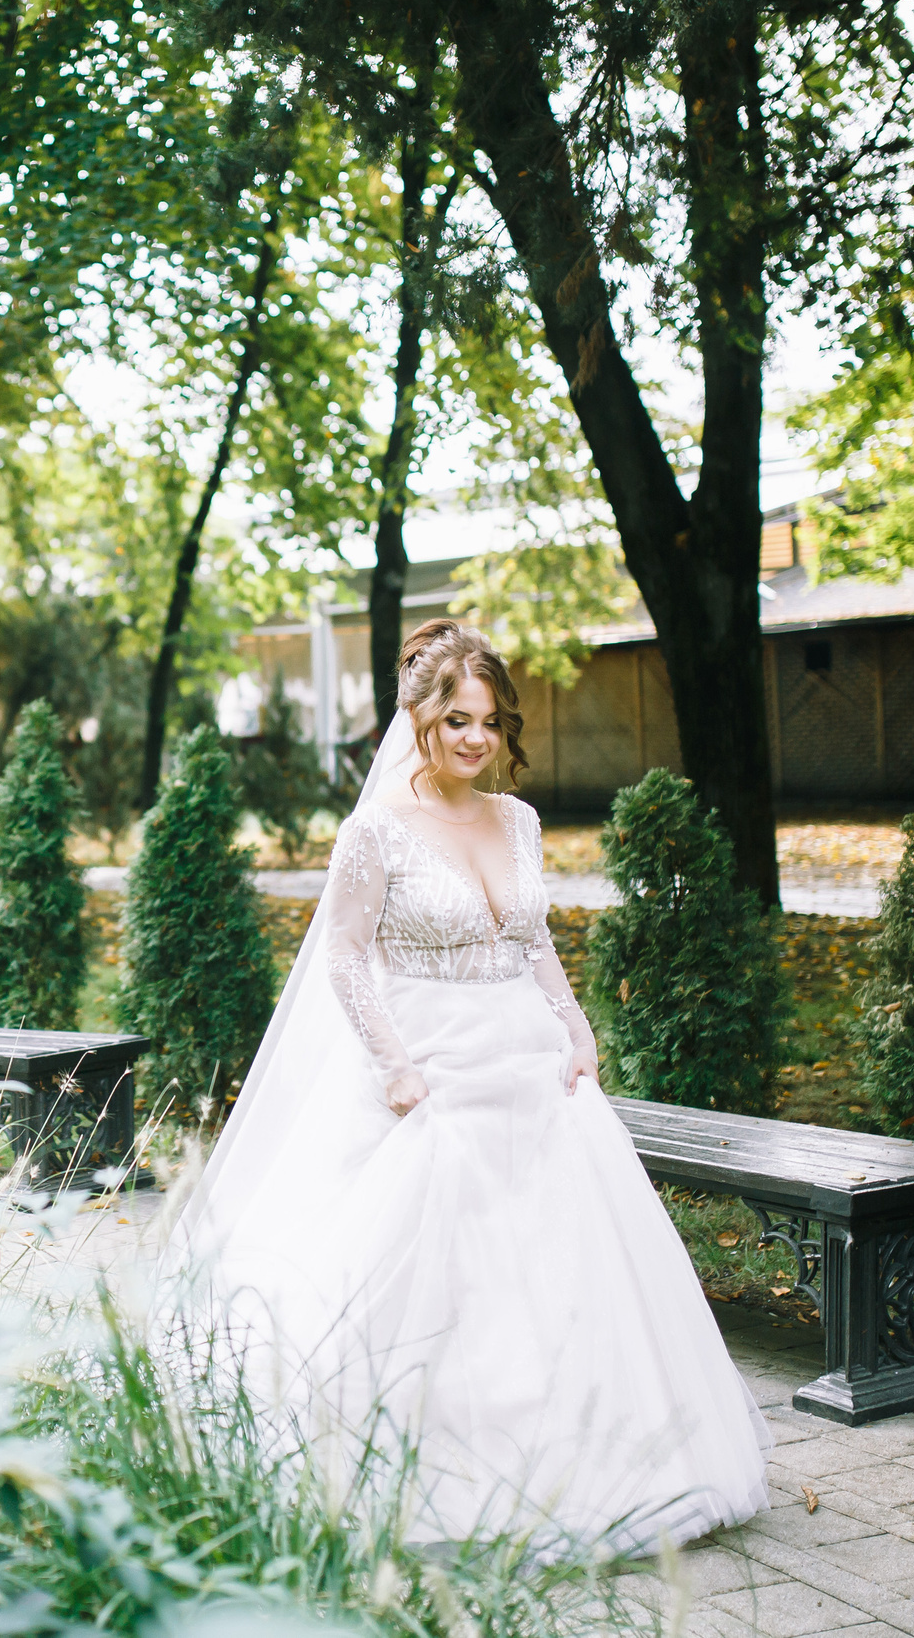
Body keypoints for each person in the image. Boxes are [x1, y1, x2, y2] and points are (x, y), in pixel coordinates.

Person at [167, 618, 771, 1559]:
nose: (475, 740)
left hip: (530, 1065)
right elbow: (346, 957)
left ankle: (603, 1455)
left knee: (563, 1268)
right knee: (429, 1269)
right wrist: (394, 1064)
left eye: (489, 721)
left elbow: (531, 941)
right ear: (420, 719)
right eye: (456, 721)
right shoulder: (375, 832)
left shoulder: (520, 821)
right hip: (428, 1064)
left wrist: (576, 1025)